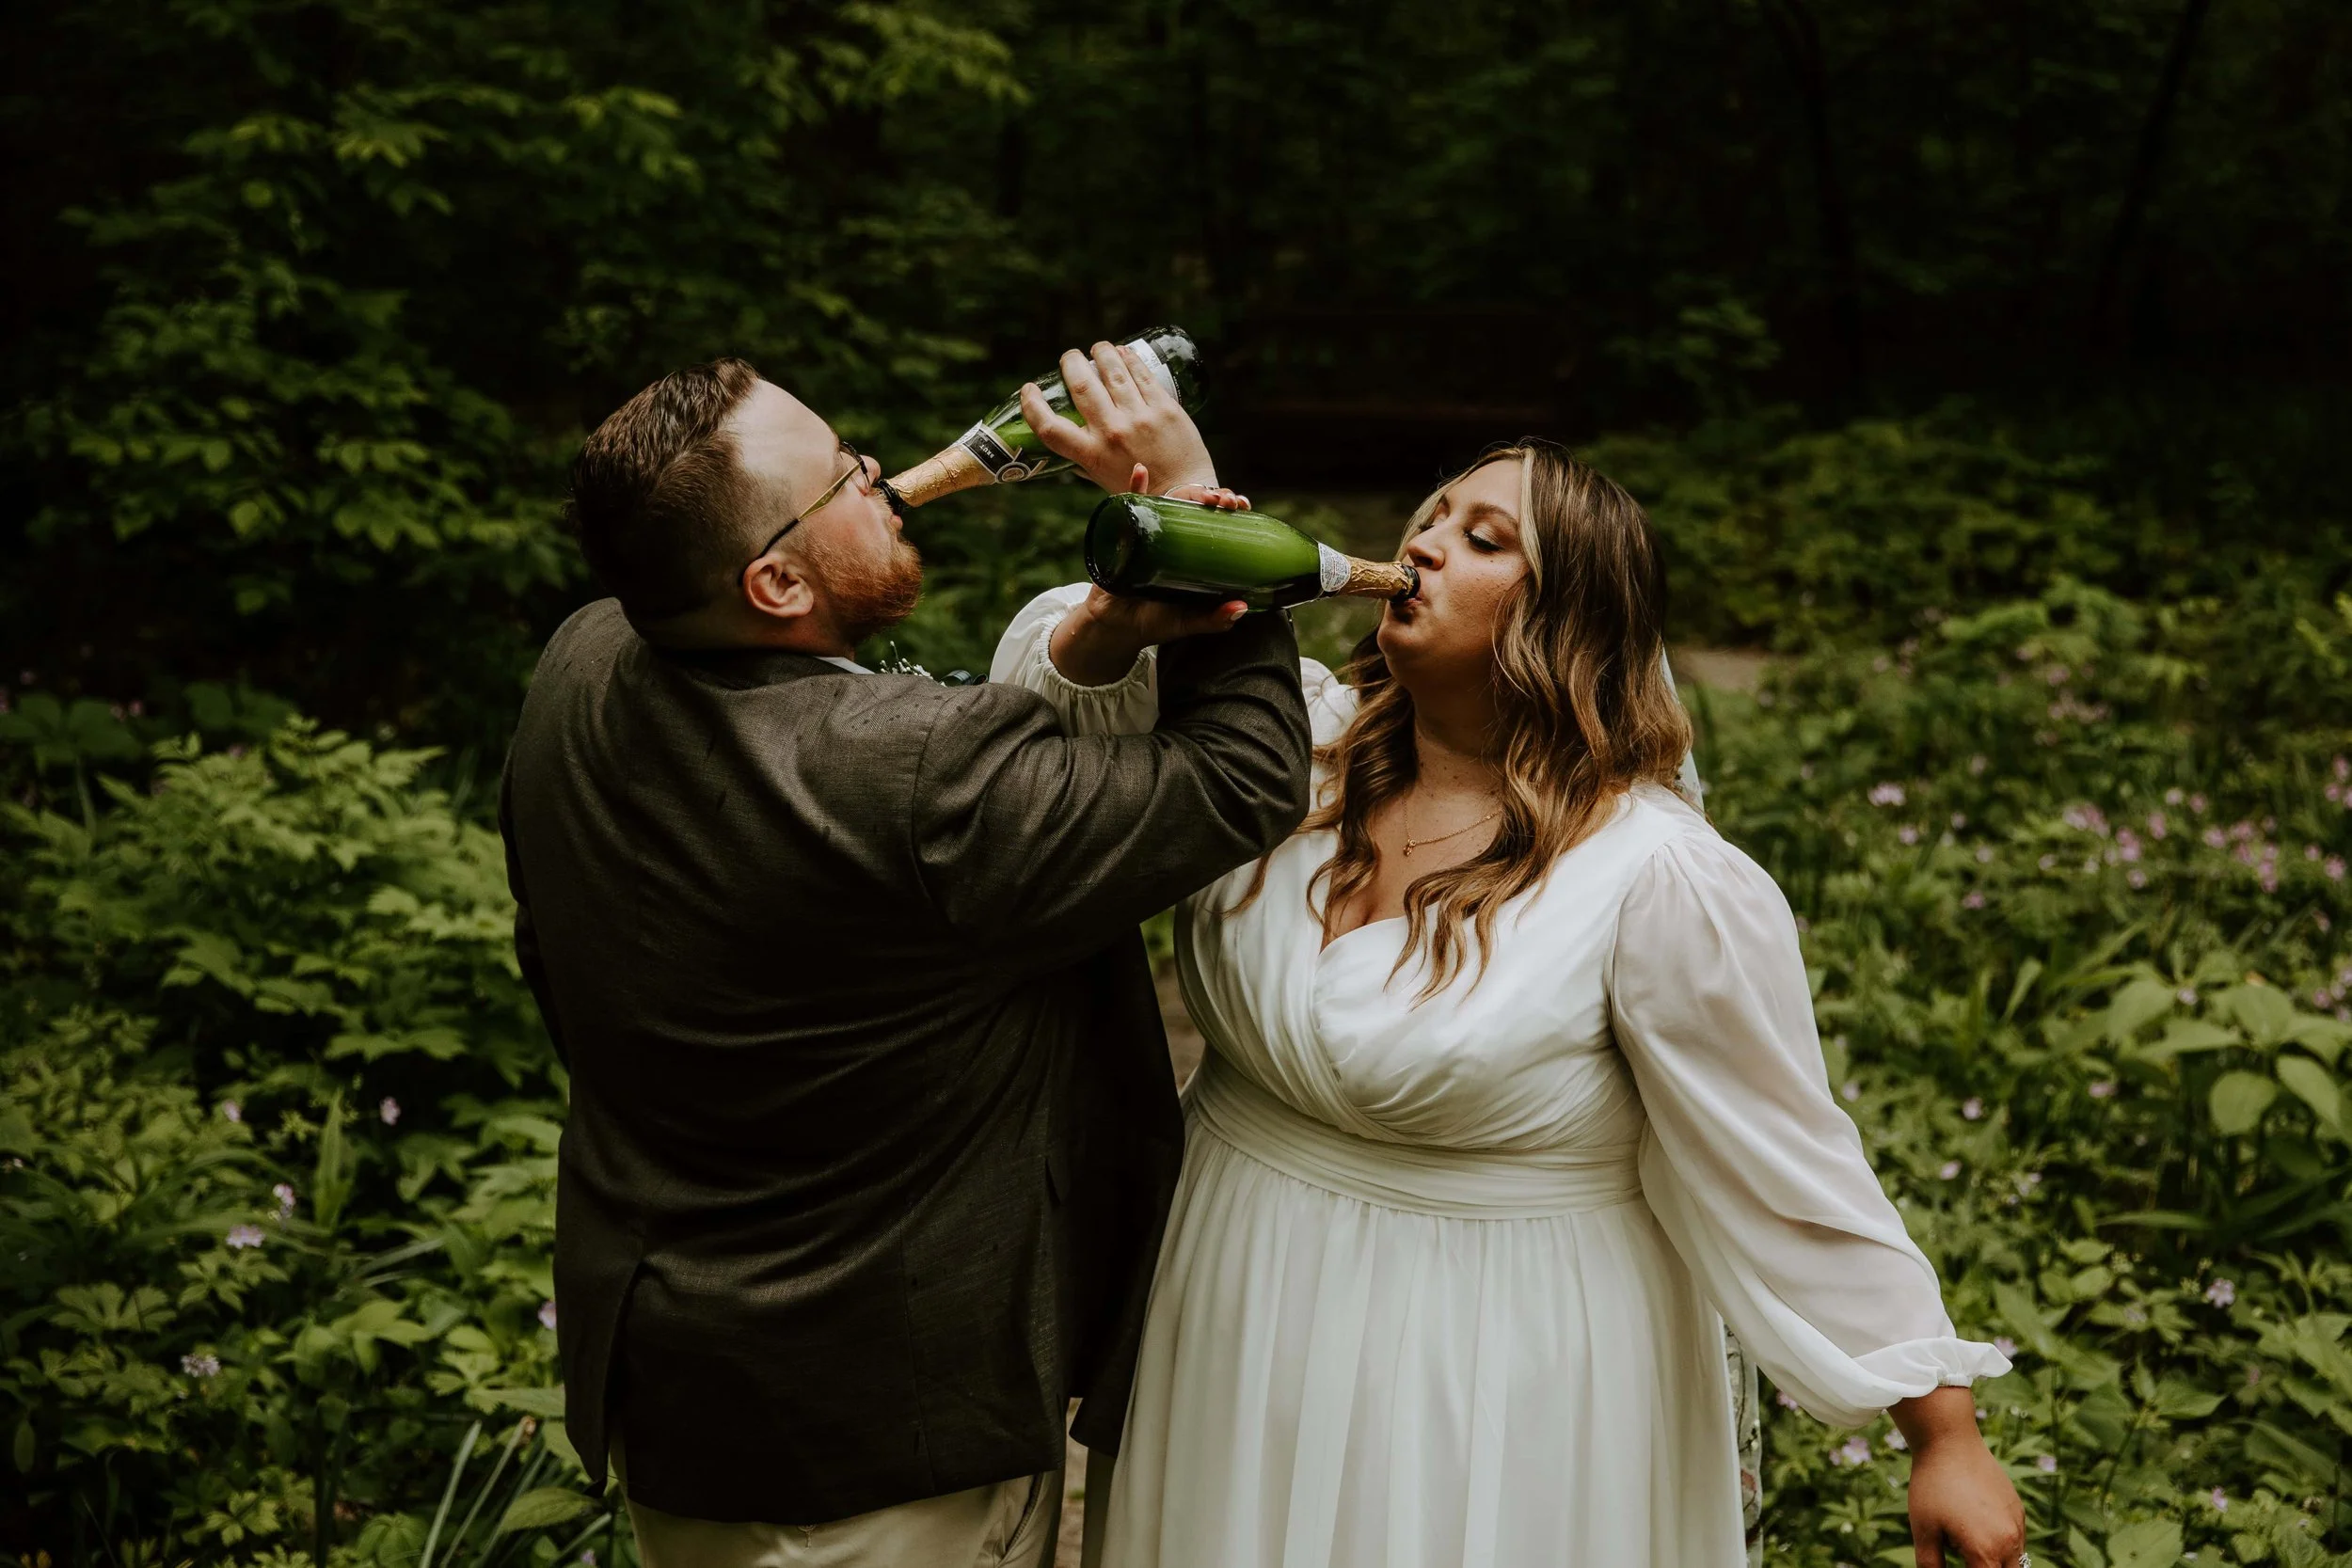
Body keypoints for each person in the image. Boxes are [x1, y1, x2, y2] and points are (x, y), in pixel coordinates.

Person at [991, 440, 2028, 1567]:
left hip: (1496, 1350)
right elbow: (1043, 746)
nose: (1423, 542)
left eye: (1485, 539)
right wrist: (1130, 597)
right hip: (1230, 1291)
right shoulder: (1291, 748)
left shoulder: (1653, 879)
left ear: (1570, 623)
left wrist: (1943, 1431)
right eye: (1432, 516)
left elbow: (1785, 1158)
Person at [499, 346, 1312, 1567]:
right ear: (774, 581)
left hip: (679, 1391)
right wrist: (1190, 507)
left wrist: (1098, 626)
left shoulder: (582, 661)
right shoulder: (916, 770)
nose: (880, 477)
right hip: (886, 1445)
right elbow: (1244, 774)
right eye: (840, 480)